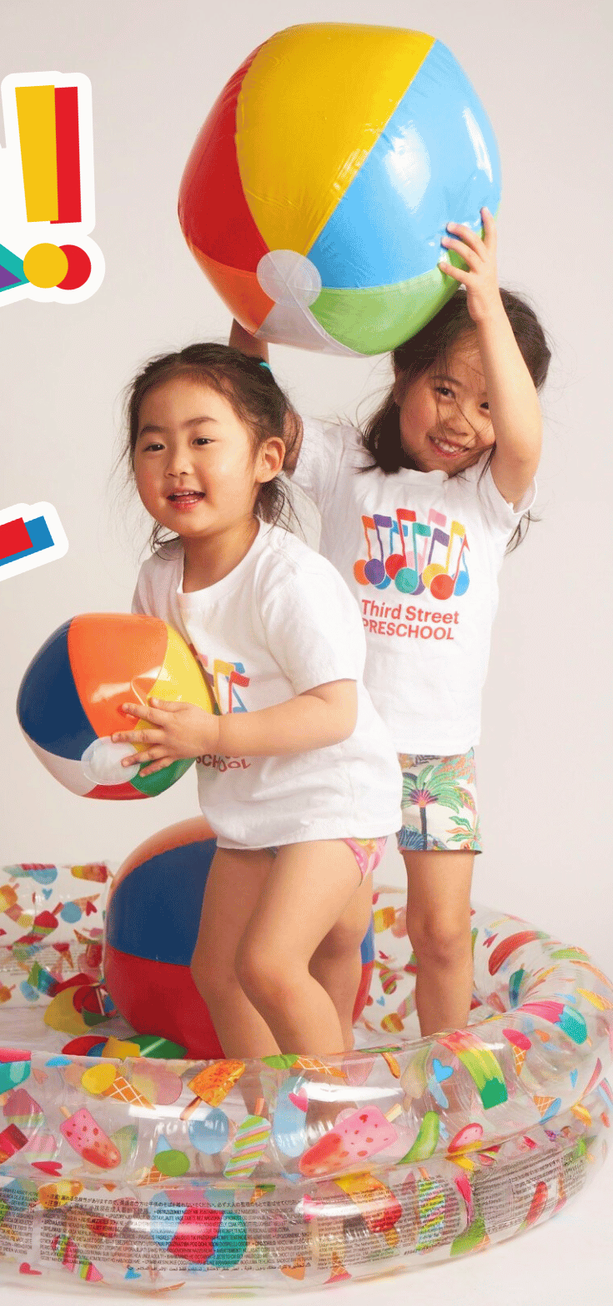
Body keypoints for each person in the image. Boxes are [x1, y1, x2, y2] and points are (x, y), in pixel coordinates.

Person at [233, 209, 549, 1037]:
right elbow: (254, 414)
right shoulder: (346, 466)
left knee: (441, 931)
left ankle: (448, 1086)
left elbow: (523, 439)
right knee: (340, 933)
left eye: (483, 403)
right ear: (403, 373)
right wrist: (249, 317)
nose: (460, 420)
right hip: (342, 744)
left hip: (439, 753)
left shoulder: (487, 502)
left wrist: (485, 309)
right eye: (444, 387)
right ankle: (330, 1087)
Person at [113, 344, 401, 1057]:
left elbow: (335, 710)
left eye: (203, 439)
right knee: (218, 970)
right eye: (154, 444)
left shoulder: (287, 580)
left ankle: (341, 1118)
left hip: (335, 797)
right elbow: (158, 687)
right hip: (250, 803)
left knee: (268, 964)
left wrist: (210, 729)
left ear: (267, 459)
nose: (177, 462)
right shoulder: (158, 579)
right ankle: (267, 1107)